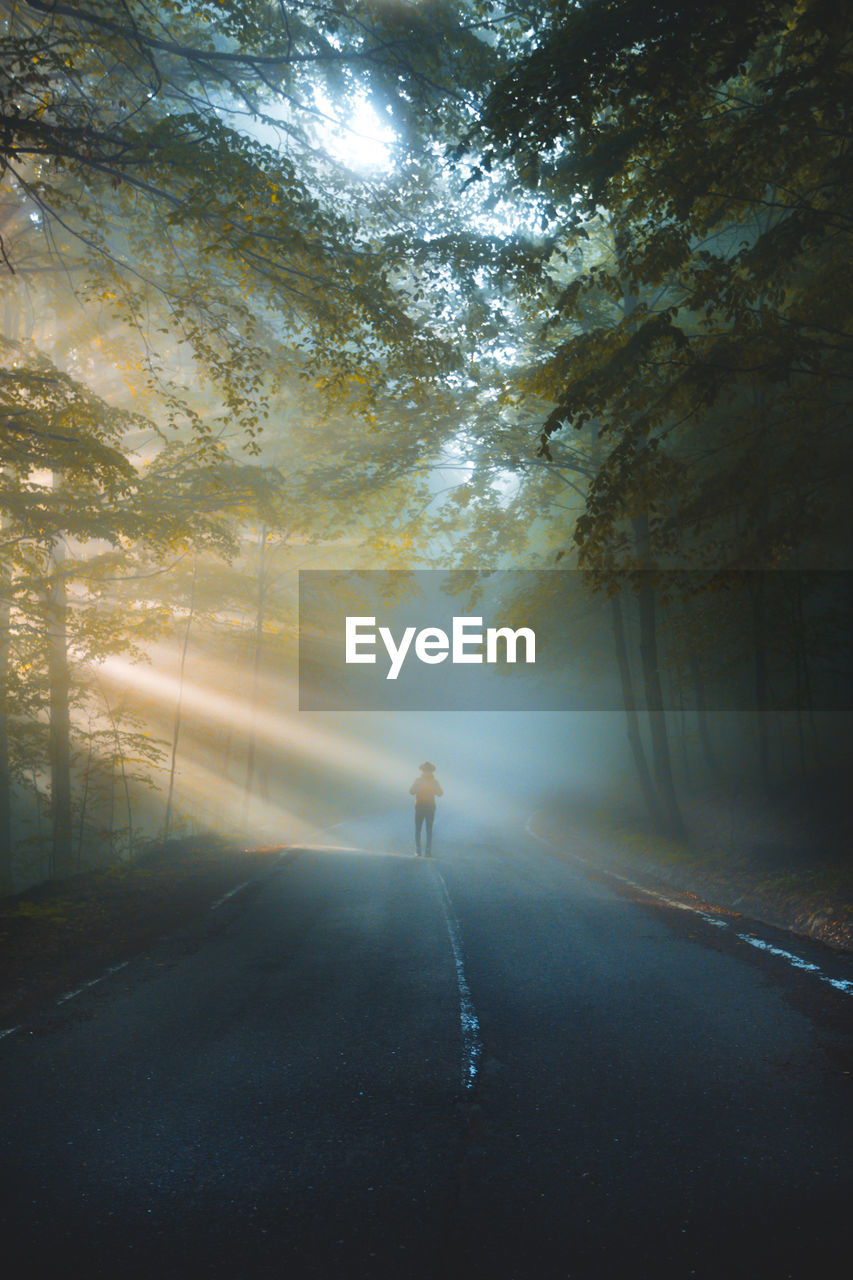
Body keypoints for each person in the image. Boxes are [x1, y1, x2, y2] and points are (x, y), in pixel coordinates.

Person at [409, 761, 443, 856]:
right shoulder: (422, 781)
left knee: (425, 829)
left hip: (426, 807)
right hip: (423, 807)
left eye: (427, 770)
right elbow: (411, 791)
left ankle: (424, 850)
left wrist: (432, 788)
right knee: (423, 829)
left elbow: (440, 793)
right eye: (425, 770)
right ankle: (420, 849)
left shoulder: (432, 782)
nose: (426, 772)